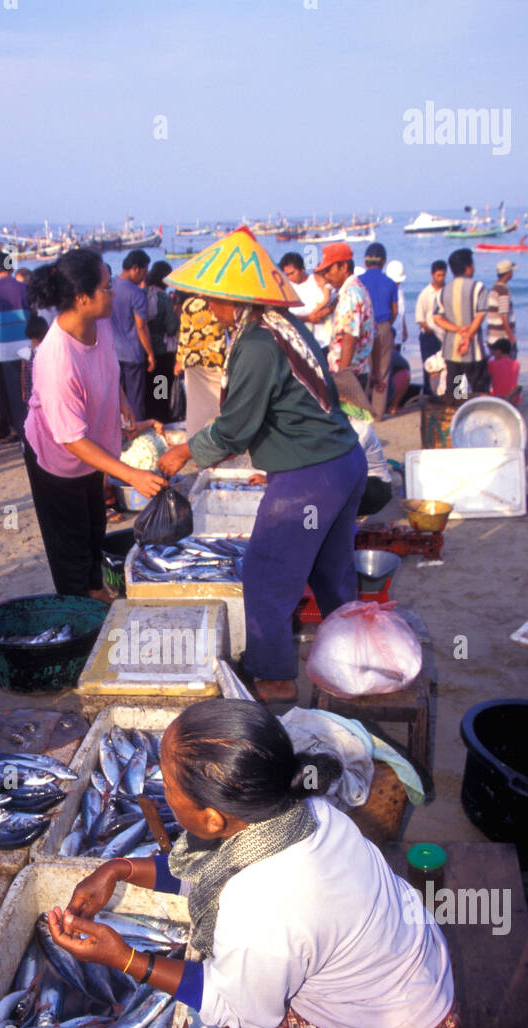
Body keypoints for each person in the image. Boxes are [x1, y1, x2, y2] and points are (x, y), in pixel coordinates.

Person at [48, 700, 458, 1028]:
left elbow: (244, 1011)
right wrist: (120, 869)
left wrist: (124, 960)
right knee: (216, 976)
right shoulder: (306, 811)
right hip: (419, 980)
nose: (162, 787)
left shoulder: (262, 900)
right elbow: (210, 867)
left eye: (169, 782)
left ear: (213, 820)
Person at [158, 228, 367, 704]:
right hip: (343, 463)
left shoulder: (256, 342)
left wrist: (182, 451)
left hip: (311, 475)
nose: (210, 308)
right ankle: (352, 661)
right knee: (332, 574)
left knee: (266, 574)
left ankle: (274, 680)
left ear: (234, 299)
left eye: (213, 299)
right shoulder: (283, 325)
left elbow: (234, 429)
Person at [23, 250, 166, 599]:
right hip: (58, 462)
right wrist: (131, 475)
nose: (113, 292)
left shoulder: (98, 323)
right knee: (69, 547)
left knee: (93, 531)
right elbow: (72, 440)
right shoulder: (57, 358)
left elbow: (107, 365)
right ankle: (78, 611)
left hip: (92, 455)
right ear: (83, 298)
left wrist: (120, 399)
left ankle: (94, 590)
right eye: (106, 287)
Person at [319, 241, 374, 412]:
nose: (326, 276)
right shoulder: (358, 288)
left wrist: (342, 380)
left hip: (350, 375)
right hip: (357, 372)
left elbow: (349, 338)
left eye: (329, 270)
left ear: (344, 267)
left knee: (349, 429)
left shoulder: (350, 293)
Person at [0, 250, 30, 441]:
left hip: (6, 346)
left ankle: (22, 432)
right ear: (11, 266)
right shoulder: (25, 287)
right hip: (27, 341)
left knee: (14, 392)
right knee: (31, 386)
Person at [433, 248, 490, 400]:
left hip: (452, 350)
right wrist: (468, 336)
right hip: (474, 349)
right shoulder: (478, 288)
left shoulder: (443, 291)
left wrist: (458, 330)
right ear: (468, 267)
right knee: (479, 388)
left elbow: (437, 318)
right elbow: (480, 315)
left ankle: (458, 415)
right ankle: (478, 414)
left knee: (457, 391)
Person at [110, 249, 155, 422]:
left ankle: (118, 436)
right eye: (144, 272)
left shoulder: (108, 286)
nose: (144, 277)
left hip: (112, 353)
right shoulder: (137, 294)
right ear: (135, 268)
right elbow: (141, 327)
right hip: (132, 355)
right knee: (135, 401)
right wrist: (150, 354)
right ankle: (137, 436)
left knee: (115, 400)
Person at [174, 294, 227, 435]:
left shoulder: (188, 304)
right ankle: (219, 442)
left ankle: (195, 444)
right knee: (219, 406)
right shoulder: (224, 301)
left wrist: (179, 359)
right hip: (217, 361)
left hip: (193, 362)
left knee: (196, 409)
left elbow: (184, 336)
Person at [359, 243, 398, 420]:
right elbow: (394, 311)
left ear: (365, 262)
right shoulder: (390, 283)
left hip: (365, 327)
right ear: (383, 262)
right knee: (382, 371)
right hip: (383, 326)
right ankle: (378, 414)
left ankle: (362, 411)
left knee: (365, 369)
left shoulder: (359, 281)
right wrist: (387, 325)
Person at [144, 261, 179, 422]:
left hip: (145, 349)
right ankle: (161, 419)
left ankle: (148, 417)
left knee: (148, 388)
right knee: (162, 388)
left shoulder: (143, 293)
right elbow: (171, 328)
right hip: (163, 352)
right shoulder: (164, 299)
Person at [279, 253, 334, 350]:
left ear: (302, 268)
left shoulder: (318, 280)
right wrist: (308, 318)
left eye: (292, 273)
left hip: (326, 340)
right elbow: (284, 317)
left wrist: (326, 311)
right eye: (286, 274)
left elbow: (336, 298)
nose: (290, 277)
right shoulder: (286, 288)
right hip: (303, 344)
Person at [415, 261, 447, 394]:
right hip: (429, 335)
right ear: (432, 275)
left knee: (449, 367)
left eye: (443, 275)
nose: (441, 278)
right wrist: (427, 328)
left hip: (446, 334)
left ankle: (451, 394)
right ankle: (430, 394)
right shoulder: (425, 293)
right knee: (430, 367)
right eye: (438, 275)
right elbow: (420, 317)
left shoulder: (448, 291)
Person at [486, 260, 517, 357]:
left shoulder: (495, 288)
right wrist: (510, 335)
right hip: (502, 338)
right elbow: (504, 314)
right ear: (508, 273)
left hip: (493, 336)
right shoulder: (503, 290)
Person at [488, 338, 522, 404]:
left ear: (498, 351)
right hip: (513, 398)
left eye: (493, 351)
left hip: (498, 397)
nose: (493, 353)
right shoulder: (516, 364)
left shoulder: (492, 364)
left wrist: (489, 356)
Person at [386, 259, 408, 348]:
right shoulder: (385, 290)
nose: (398, 283)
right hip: (389, 335)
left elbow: (401, 311)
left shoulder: (400, 289)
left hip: (398, 334)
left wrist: (404, 328)